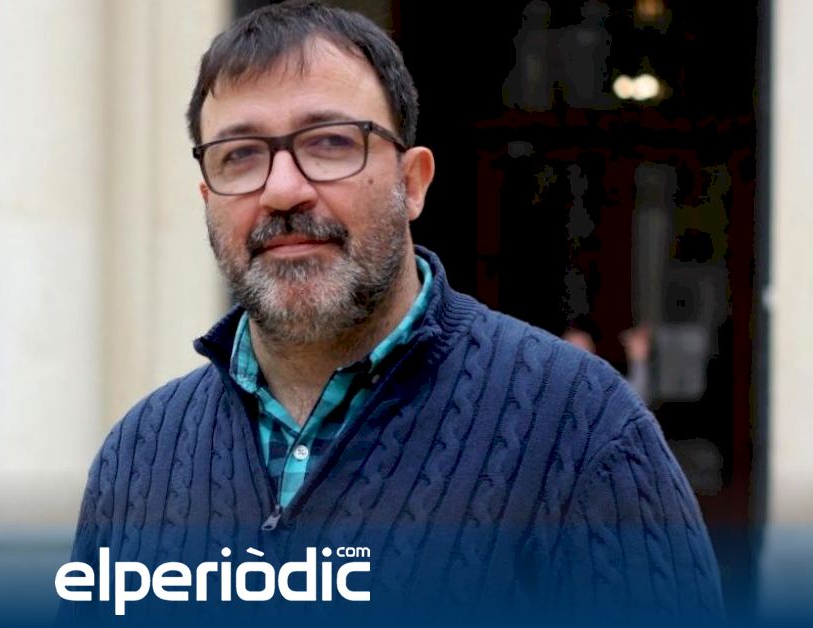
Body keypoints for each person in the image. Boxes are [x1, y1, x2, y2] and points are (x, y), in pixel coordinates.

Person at [63, 2, 722, 622]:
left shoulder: (580, 429)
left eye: (329, 143)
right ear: (208, 199)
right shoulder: (140, 454)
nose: (283, 190)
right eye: (240, 156)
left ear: (412, 183)